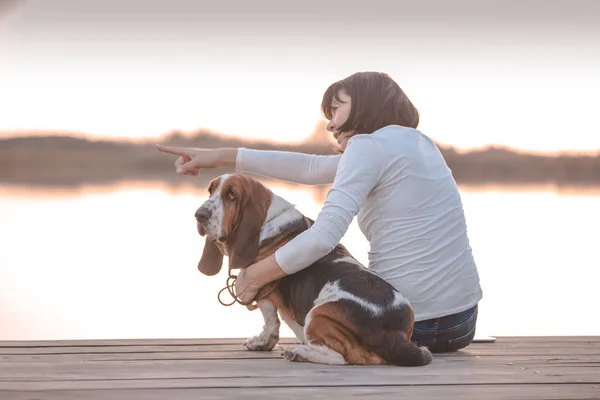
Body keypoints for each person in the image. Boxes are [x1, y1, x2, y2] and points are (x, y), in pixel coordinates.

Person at [156, 71, 483, 353]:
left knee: (303, 258)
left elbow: (324, 236)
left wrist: (256, 275)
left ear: (366, 105)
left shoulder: (367, 147)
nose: (330, 123)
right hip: (462, 324)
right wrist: (221, 156)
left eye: (337, 109)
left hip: (405, 328)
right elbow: (312, 168)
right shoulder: (417, 143)